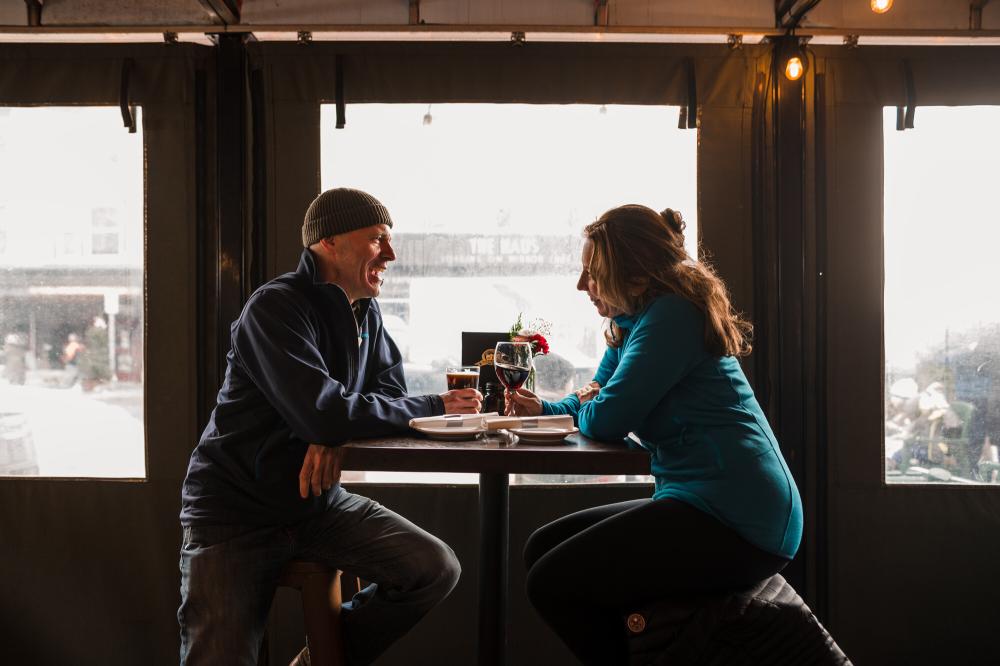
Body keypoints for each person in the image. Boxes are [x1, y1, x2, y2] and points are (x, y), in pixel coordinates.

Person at [178, 188, 481, 666]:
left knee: (434, 568)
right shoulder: (275, 308)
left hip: (318, 506)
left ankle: (319, 661)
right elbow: (325, 412)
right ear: (330, 241)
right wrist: (428, 405)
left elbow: (383, 398)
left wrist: (336, 430)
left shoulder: (366, 312)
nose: (392, 253)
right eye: (378, 238)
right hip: (234, 513)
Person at [506, 204, 803, 664]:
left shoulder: (672, 317)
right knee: (541, 548)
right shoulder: (632, 324)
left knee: (551, 583)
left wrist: (590, 404)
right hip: (698, 499)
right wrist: (545, 408)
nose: (582, 286)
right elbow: (597, 396)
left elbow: (606, 416)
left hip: (740, 515)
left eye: (593, 273)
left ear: (637, 275)